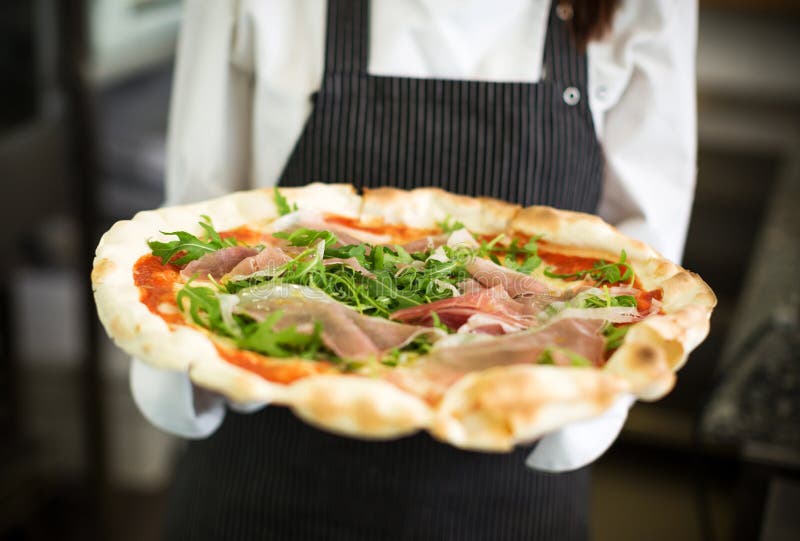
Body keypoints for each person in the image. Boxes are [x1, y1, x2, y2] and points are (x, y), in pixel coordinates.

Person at [132, 0, 698, 538]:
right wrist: (238, 361)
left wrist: (566, 410)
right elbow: (193, 231)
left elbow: (638, 264)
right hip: (266, 466)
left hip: (511, 484)